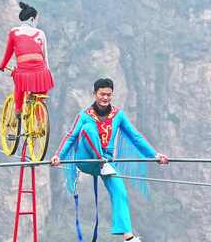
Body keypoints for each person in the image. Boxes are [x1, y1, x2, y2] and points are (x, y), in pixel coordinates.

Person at [51, 78, 168, 242]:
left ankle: (128, 236)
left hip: (107, 163)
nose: (105, 98)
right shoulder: (84, 115)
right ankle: (101, 161)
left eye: (109, 95)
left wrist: (154, 155)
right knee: (88, 128)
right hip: (86, 160)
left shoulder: (118, 115)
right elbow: (71, 136)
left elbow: (135, 136)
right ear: (95, 94)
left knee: (120, 192)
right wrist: (59, 156)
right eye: (102, 94)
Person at [0, 2, 54, 117]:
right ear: (32, 19)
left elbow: (8, 53)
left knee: (19, 83)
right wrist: (48, 72)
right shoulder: (40, 33)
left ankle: (18, 110)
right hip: (42, 73)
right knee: (40, 98)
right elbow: (45, 56)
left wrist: (2, 66)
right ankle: (40, 123)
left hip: (24, 73)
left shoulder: (14, 32)